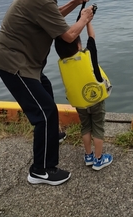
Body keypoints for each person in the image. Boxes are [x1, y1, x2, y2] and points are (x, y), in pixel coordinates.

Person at [0, 0, 94, 186]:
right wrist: (85, 17)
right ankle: (41, 170)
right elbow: (68, 35)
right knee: (45, 112)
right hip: (15, 65)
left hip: (26, 63)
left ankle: (51, 135)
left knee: (46, 90)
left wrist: (78, 2)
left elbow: (53, 17)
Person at [54, 10, 113, 171]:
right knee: (98, 128)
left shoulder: (63, 64)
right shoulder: (88, 54)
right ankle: (99, 159)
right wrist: (87, 20)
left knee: (85, 127)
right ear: (79, 45)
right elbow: (92, 38)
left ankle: (88, 156)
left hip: (80, 103)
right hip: (96, 100)